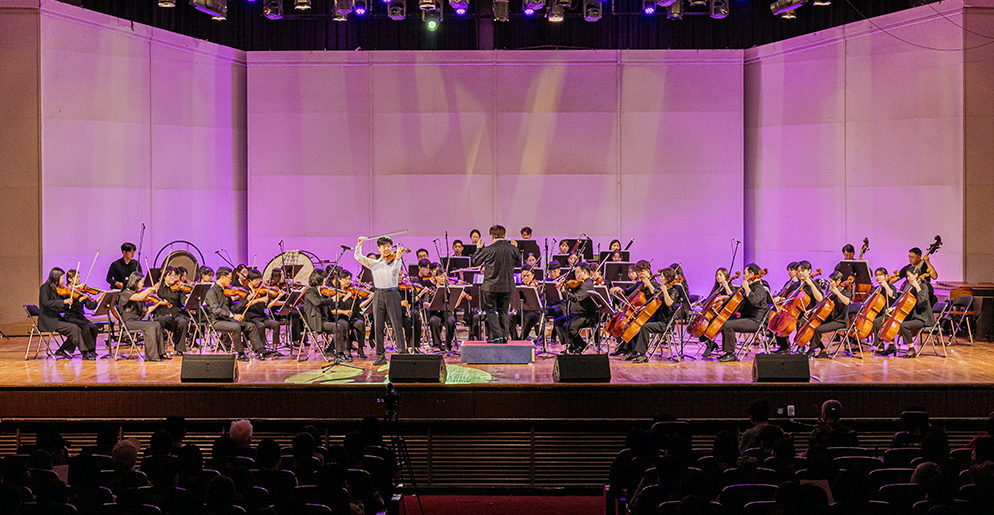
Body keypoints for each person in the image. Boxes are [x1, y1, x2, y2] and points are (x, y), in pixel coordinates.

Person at [355, 236, 408, 366]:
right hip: (378, 293)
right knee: (378, 325)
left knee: (396, 324)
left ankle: (401, 353)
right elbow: (358, 257)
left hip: (392, 293)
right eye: (384, 246)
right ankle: (380, 356)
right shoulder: (374, 263)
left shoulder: (397, 259)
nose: (387, 248)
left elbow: (395, 273)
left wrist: (397, 259)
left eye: (389, 246)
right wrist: (359, 245)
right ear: (379, 248)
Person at [203, 267, 274, 361]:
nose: (231, 280)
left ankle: (261, 351)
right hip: (216, 321)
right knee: (236, 327)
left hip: (227, 320)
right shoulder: (211, 292)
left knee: (251, 326)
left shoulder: (225, 292)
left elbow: (233, 308)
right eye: (229, 278)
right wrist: (233, 316)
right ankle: (240, 353)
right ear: (222, 277)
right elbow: (216, 310)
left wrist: (246, 301)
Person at [471, 225, 521, 344]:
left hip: (490, 286)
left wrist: (478, 249)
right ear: (504, 235)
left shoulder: (488, 249)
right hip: (507, 286)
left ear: (492, 236)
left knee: (490, 310)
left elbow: (475, 261)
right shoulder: (512, 248)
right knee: (503, 310)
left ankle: (497, 336)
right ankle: (504, 336)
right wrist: (516, 248)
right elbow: (519, 260)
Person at [625, 265, 684, 363]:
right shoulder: (661, 290)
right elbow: (655, 300)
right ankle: (632, 351)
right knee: (638, 323)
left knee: (645, 327)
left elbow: (669, 303)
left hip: (665, 323)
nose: (660, 278)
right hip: (658, 319)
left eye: (662, 276)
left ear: (668, 278)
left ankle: (642, 354)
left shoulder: (673, 291)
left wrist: (665, 291)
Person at [715, 264, 772, 363]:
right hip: (748, 318)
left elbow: (754, 301)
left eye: (745, 273)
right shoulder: (750, 287)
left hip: (756, 322)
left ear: (751, 274)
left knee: (728, 325)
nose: (744, 276)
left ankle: (731, 354)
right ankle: (727, 352)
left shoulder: (760, 288)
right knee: (725, 321)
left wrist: (746, 288)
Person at [875, 269, 936, 358]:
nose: (908, 278)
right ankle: (891, 345)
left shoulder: (923, 287)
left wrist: (918, 288)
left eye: (909, 276)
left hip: (923, 318)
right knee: (888, 319)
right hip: (913, 316)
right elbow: (904, 303)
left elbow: (922, 303)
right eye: (907, 276)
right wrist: (893, 308)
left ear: (915, 275)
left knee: (904, 325)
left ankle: (911, 349)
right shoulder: (911, 288)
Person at [772, 261, 822, 354]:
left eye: (803, 271)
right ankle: (784, 346)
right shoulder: (794, 285)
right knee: (779, 319)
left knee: (800, 322)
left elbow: (820, 299)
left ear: (809, 271)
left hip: (809, 313)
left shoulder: (813, 285)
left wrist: (811, 284)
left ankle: (801, 346)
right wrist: (780, 298)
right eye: (798, 271)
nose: (800, 273)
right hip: (795, 312)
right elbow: (787, 298)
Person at [38, 268, 87, 360]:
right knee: (74, 328)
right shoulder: (45, 288)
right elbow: (46, 303)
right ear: (55, 277)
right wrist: (63, 302)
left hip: (56, 318)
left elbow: (59, 303)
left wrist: (74, 301)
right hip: (48, 321)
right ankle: (85, 352)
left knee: (78, 326)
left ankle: (62, 350)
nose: (62, 280)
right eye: (61, 278)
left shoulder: (55, 289)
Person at [118, 272, 168, 361]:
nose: (143, 284)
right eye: (141, 282)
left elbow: (146, 311)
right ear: (135, 282)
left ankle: (161, 353)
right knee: (149, 326)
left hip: (137, 321)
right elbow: (138, 297)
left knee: (156, 324)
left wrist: (158, 303)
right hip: (129, 323)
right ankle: (152, 357)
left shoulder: (139, 295)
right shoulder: (126, 293)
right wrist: (149, 290)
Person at [806, 271, 852, 359]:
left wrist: (837, 293)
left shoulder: (845, 292)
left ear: (838, 281)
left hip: (840, 321)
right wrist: (812, 310)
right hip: (831, 319)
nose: (830, 283)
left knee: (818, 329)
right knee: (810, 325)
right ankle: (823, 349)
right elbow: (824, 305)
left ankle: (811, 350)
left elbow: (847, 302)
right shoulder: (832, 294)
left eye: (832, 281)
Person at [554, 262, 598, 354]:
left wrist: (564, 291)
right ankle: (571, 344)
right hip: (575, 314)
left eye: (577, 272)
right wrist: (564, 286)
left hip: (586, 315)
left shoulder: (587, 285)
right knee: (558, 322)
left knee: (569, 326)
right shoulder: (579, 283)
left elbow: (576, 298)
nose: (575, 274)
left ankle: (581, 344)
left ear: (585, 272)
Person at [301, 270, 340, 359]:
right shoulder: (310, 291)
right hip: (315, 322)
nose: (325, 281)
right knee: (337, 328)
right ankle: (333, 351)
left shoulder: (322, 291)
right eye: (324, 279)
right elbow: (317, 302)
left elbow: (327, 304)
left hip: (324, 320)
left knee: (343, 325)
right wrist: (331, 300)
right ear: (319, 279)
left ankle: (333, 350)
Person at [62, 269, 99, 359]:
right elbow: (66, 306)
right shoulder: (66, 291)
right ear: (70, 279)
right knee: (85, 327)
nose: (79, 279)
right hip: (70, 316)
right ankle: (88, 352)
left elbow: (90, 306)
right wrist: (76, 293)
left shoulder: (81, 291)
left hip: (79, 316)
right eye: (76, 277)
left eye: (79, 277)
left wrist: (99, 299)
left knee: (94, 328)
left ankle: (92, 350)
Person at [330, 269, 367, 359]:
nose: (347, 281)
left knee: (361, 324)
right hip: (341, 318)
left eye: (349, 279)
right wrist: (345, 298)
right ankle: (347, 349)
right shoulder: (335, 292)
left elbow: (358, 306)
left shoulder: (352, 291)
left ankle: (361, 348)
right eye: (345, 279)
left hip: (352, 317)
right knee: (345, 325)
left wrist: (369, 299)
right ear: (339, 279)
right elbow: (334, 309)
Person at [243, 269, 281, 354]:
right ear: (250, 280)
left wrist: (275, 298)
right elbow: (244, 305)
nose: (258, 282)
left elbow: (267, 306)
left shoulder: (261, 290)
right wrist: (259, 300)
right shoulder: (245, 290)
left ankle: (275, 349)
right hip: (251, 317)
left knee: (276, 324)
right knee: (261, 326)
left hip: (261, 316)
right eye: (256, 280)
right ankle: (261, 349)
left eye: (259, 280)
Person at [155, 266, 191, 356]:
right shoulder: (159, 288)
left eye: (174, 276)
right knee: (168, 319)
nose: (173, 278)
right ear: (164, 276)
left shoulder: (178, 289)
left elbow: (184, 300)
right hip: (162, 314)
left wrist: (191, 300)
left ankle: (180, 349)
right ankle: (181, 333)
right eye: (170, 275)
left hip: (176, 314)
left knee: (183, 322)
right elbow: (154, 300)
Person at [700, 268, 734, 358]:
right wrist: (701, 303)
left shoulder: (730, 287)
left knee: (710, 324)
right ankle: (710, 344)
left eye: (720, 275)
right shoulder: (716, 288)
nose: (718, 277)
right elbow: (709, 299)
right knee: (700, 324)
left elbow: (732, 296)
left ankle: (709, 346)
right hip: (714, 313)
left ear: (726, 276)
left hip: (723, 314)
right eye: (717, 275)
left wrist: (725, 289)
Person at [513, 265, 543, 341]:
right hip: (522, 311)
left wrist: (535, 290)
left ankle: (522, 340)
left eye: (528, 276)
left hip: (534, 313)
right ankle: (515, 339)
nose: (525, 278)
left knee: (529, 317)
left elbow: (541, 300)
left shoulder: (537, 286)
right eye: (523, 276)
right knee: (510, 317)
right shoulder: (519, 286)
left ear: (532, 276)